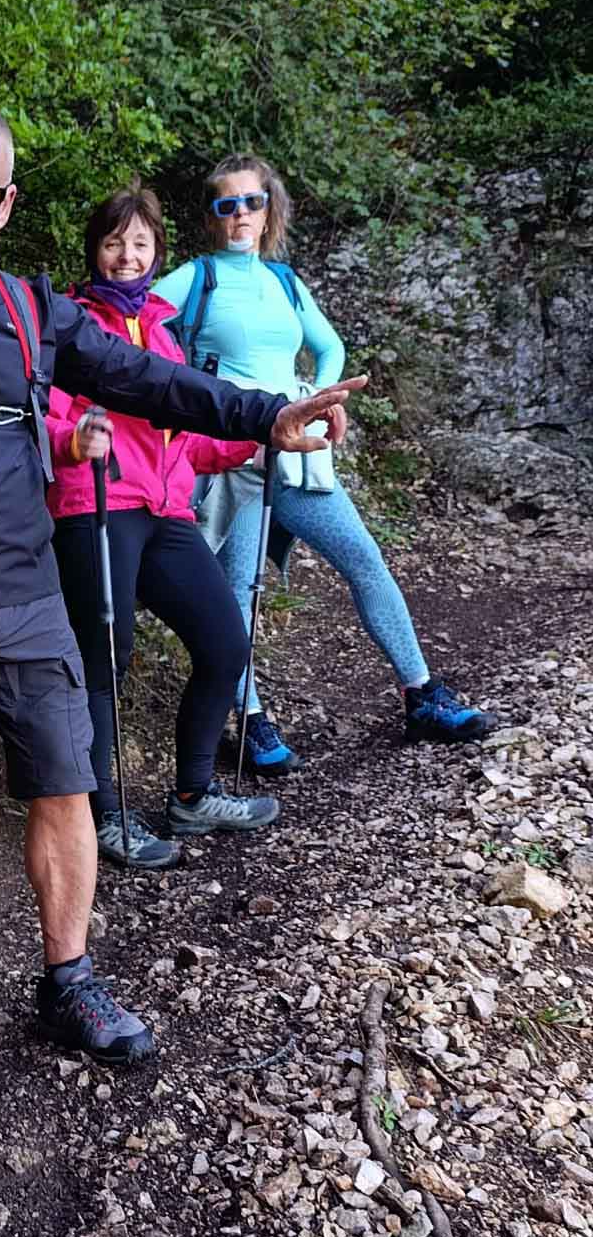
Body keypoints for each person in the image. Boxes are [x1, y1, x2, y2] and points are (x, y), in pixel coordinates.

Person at [0, 102, 362, 1132]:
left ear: (6, 206)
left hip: (31, 589)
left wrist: (267, 414)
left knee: (67, 786)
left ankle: (67, 980)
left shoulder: (32, 309)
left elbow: (149, 380)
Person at [156, 153, 494, 773]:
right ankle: (250, 718)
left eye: (251, 203)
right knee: (238, 591)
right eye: (226, 205)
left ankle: (420, 693)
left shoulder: (285, 282)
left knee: (363, 557)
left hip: (297, 455)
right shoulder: (194, 278)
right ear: (212, 216)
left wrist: (324, 398)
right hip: (233, 457)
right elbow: (137, 320)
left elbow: (328, 346)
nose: (240, 215)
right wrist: (186, 396)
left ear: (268, 209)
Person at [48, 184, 279, 871]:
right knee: (102, 661)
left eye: (140, 243)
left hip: (164, 510)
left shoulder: (166, 328)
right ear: (95, 248)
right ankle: (100, 816)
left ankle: (192, 793)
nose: (126, 256)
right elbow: (48, 413)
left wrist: (251, 443)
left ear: (157, 252)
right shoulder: (67, 323)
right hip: (93, 501)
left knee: (224, 643)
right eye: (114, 242)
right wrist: (72, 437)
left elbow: (188, 443)